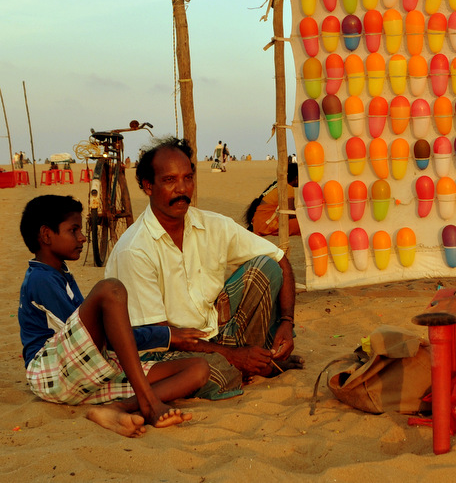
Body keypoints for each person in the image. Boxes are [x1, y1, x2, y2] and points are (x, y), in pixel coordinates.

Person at [105, 138, 303, 400]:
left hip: (214, 332)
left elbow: (280, 259)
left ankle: (255, 360)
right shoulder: (135, 249)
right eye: (170, 180)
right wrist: (232, 355)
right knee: (216, 376)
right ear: (147, 186)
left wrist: (287, 323)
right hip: (162, 347)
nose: (182, 189)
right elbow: (160, 336)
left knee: (265, 267)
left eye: (188, 178)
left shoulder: (212, 225)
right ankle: (254, 363)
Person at [18, 195, 209, 437]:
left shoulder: (60, 274)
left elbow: (95, 338)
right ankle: (149, 404)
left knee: (197, 369)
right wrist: (166, 335)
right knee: (111, 289)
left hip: (83, 370)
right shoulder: (41, 279)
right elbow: (98, 335)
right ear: (46, 235)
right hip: (51, 373)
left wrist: (166, 336)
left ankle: (118, 407)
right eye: (73, 230)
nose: (82, 238)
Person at [244, 161, 301, 236]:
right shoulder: (287, 188)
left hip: (259, 224)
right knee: (302, 224)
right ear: (296, 177)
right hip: (266, 225)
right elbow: (290, 213)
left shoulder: (278, 185)